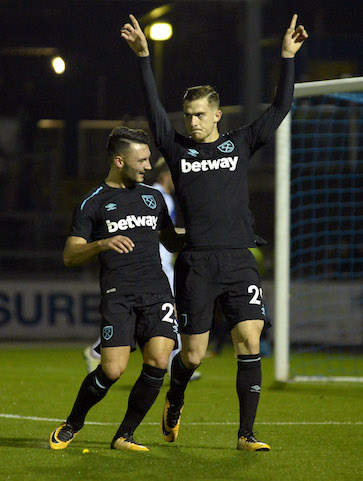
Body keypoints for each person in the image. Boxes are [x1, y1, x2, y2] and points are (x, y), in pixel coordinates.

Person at [121, 14, 308, 451]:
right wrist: (145, 59)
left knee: (249, 338)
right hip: (198, 261)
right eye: (188, 115)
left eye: (200, 115)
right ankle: (177, 394)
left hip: (239, 257)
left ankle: (246, 433)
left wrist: (286, 57)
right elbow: (152, 112)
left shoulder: (239, 142)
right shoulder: (176, 146)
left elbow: (280, 108)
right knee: (192, 355)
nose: (193, 122)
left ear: (217, 114)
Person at [49, 126, 185, 452]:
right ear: (120, 161)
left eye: (149, 159)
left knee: (158, 361)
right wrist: (102, 244)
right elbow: (70, 255)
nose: (148, 166)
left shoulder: (154, 198)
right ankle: (73, 422)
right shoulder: (92, 203)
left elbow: (171, 239)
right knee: (112, 369)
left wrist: (211, 234)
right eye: (143, 160)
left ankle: (125, 435)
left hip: (157, 292)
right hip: (118, 294)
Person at [83, 157, 201, 380]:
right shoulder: (154, 195)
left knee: (168, 315)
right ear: (166, 175)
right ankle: (98, 352)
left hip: (164, 264)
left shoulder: (163, 197)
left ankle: (170, 363)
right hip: (153, 265)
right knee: (169, 314)